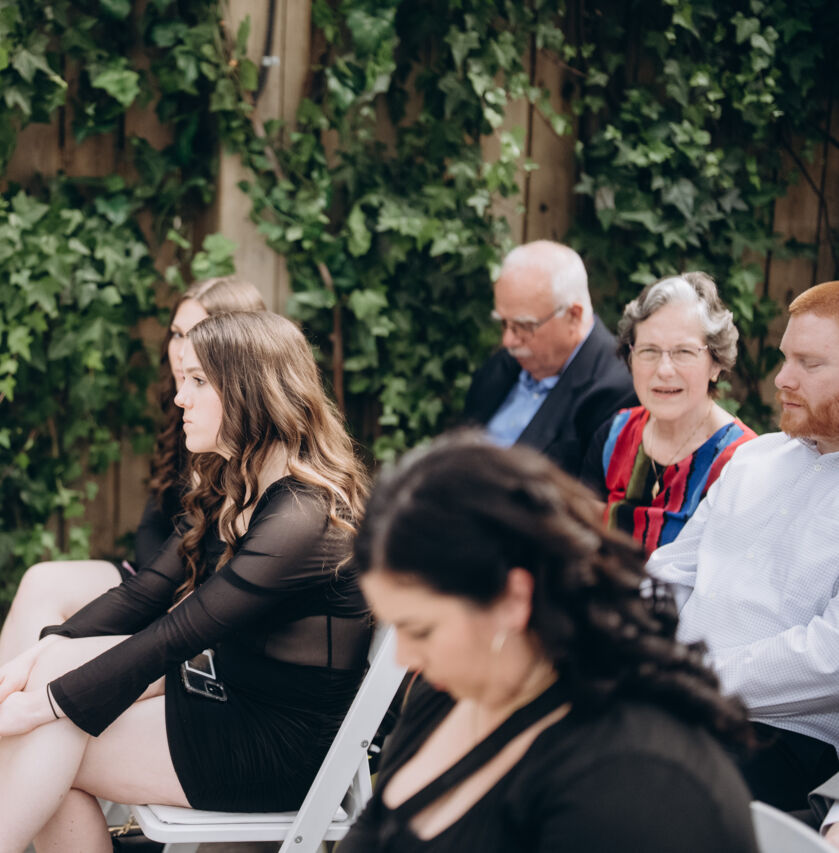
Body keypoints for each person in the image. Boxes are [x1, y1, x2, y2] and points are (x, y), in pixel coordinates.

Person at [0, 311, 372, 853]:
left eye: (199, 381)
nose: (180, 398)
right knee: (49, 723)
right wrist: (34, 661)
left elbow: (178, 634)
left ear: (250, 391)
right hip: (224, 698)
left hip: (276, 744)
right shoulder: (243, 484)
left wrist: (45, 703)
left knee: (47, 736)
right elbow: (145, 593)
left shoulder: (302, 516)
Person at [338, 434, 756, 853]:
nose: (405, 657)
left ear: (513, 598)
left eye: (422, 630)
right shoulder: (448, 693)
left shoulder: (633, 782)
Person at [0, 276, 265, 843]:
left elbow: (192, 618)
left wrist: (45, 687)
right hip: (171, 589)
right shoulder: (200, 432)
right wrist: (42, 656)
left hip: (213, 657)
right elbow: (156, 536)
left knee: (49, 713)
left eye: (196, 337)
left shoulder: (286, 506)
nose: (181, 352)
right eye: (176, 334)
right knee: (44, 607)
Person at [648, 279, 839, 814]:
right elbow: (670, 574)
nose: (783, 379)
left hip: (777, 735)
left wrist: (692, 678)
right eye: (785, 358)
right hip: (666, 697)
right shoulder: (755, 459)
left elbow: (828, 659)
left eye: (809, 364)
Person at [581, 272, 755, 553]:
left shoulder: (740, 462)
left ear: (715, 363)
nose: (663, 370)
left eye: (684, 352)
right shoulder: (615, 435)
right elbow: (581, 541)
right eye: (649, 350)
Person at [462, 240, 635, 476]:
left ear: (573, 315)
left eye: (524, 326)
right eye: (503, 323)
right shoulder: (504, 365)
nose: (508, 340)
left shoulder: (618, 390)